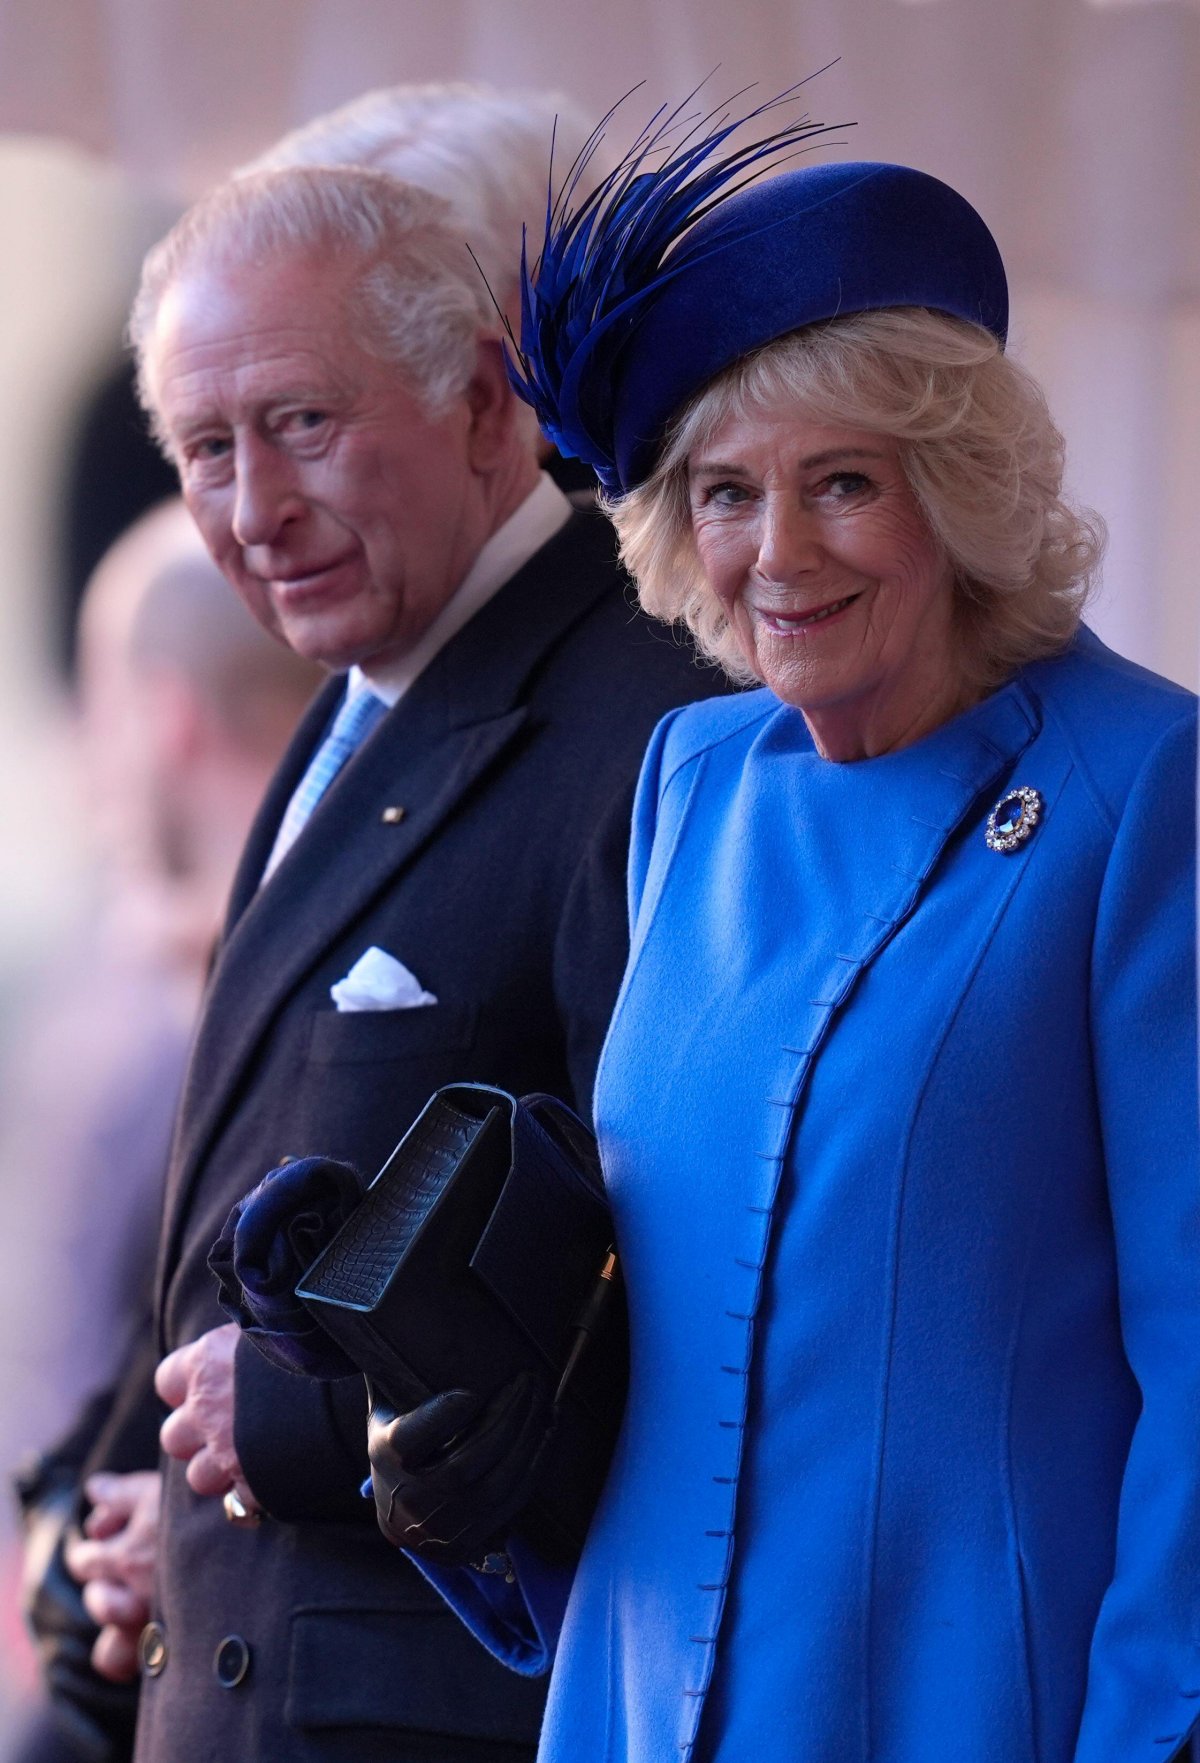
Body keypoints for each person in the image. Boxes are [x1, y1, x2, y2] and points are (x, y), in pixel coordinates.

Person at [366, 101, 1200, 1763]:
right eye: (727, 493)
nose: (781, 551)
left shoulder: (1145, 786)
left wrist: (1146, 1731)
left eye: (844, 484)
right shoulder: (695, 776)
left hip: (969, 1704)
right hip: (634, 1696)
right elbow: (662, 1295)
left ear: (958, 494)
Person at [109, 152, 724, 1763]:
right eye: (205, 449)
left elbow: (709, 1280)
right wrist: (123, 1502)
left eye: (305, 422)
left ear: (483, 402)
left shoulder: (657, 724)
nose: (253, 510)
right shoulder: (363, 678)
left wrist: (308, 1421)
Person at [4, 499, 318, 1763]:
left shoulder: (132, 1041)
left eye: (94, 712)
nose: (89, 778)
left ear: (164, 718)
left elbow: (60, 1379)